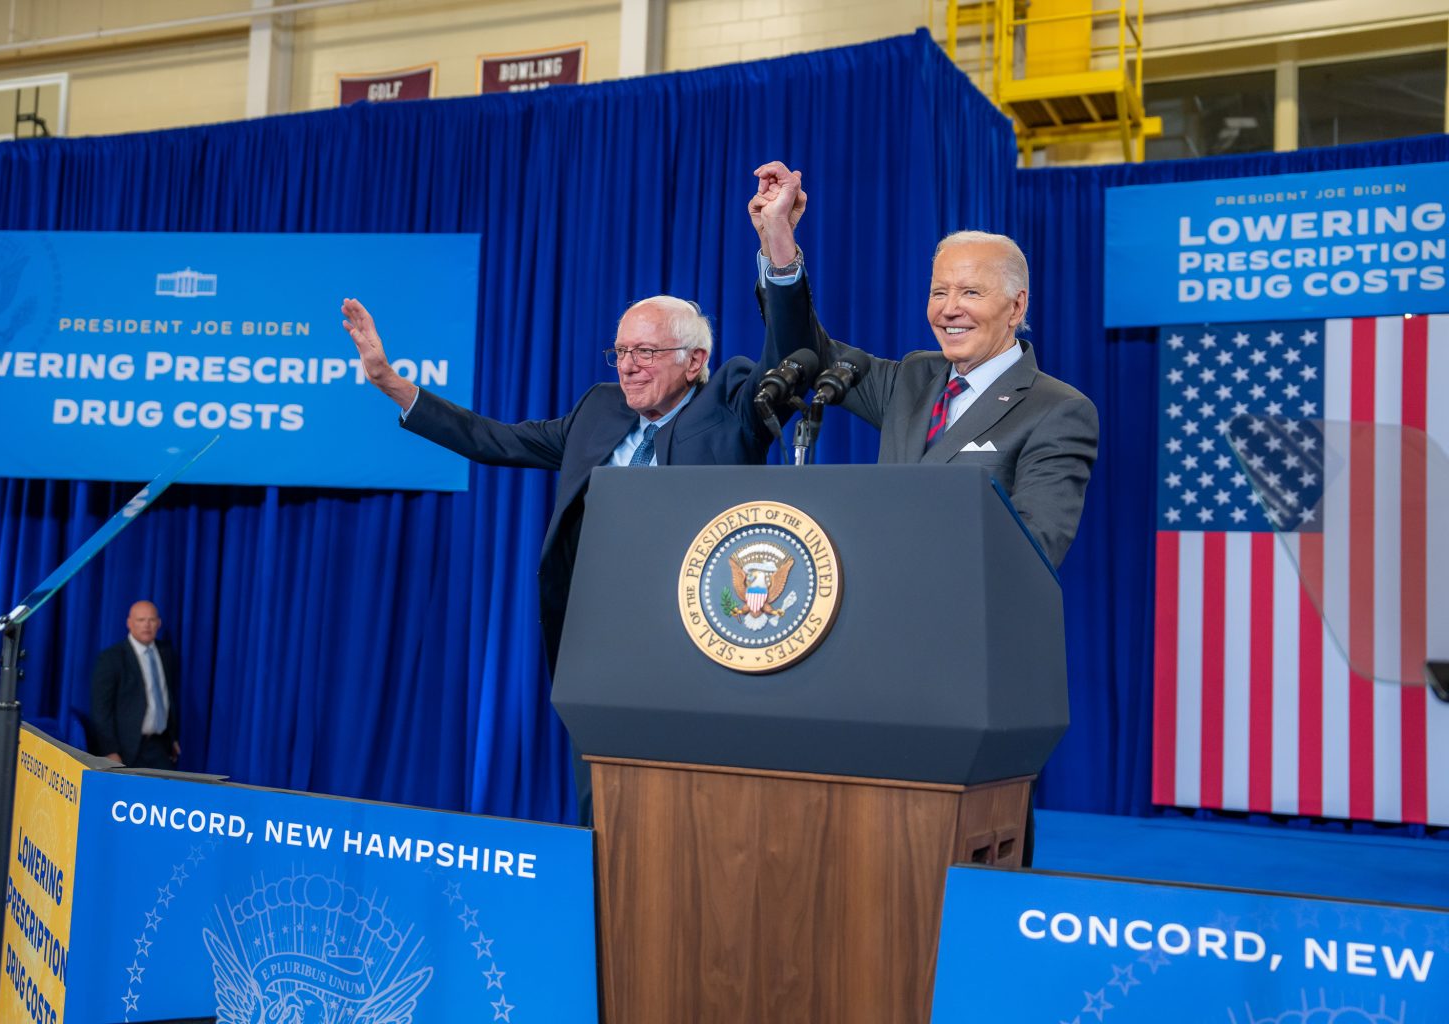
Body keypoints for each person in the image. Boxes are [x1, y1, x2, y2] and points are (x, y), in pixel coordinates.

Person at [341, 167, 806, 671]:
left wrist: (776, 239)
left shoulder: (730, 402)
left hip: (699, 633)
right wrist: (389, 380)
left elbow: (790, 358)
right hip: (598, 629)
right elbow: (491, 439)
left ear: (693, 362)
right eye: (622, 350)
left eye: (646, 351)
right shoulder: (598, 410)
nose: (627, 366)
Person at [752, 161, 1098, 568]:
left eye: (970, 292)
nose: (950, 310)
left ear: (1016, 306)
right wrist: (779, 241)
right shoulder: (913, 377)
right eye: (939, 293)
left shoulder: (1056, 409)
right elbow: (807, 353)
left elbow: (1032, 549)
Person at [90, 600, 180, 769]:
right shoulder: (111, 658)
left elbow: (169, 698)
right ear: (129, 623)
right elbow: (101, 710)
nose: (146, 625)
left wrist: (173, 738)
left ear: (158, 623)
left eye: (151, 620)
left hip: (160, 746)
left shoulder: (166, 653)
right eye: (140, 620)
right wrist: (110, 750)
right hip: (127, 749)